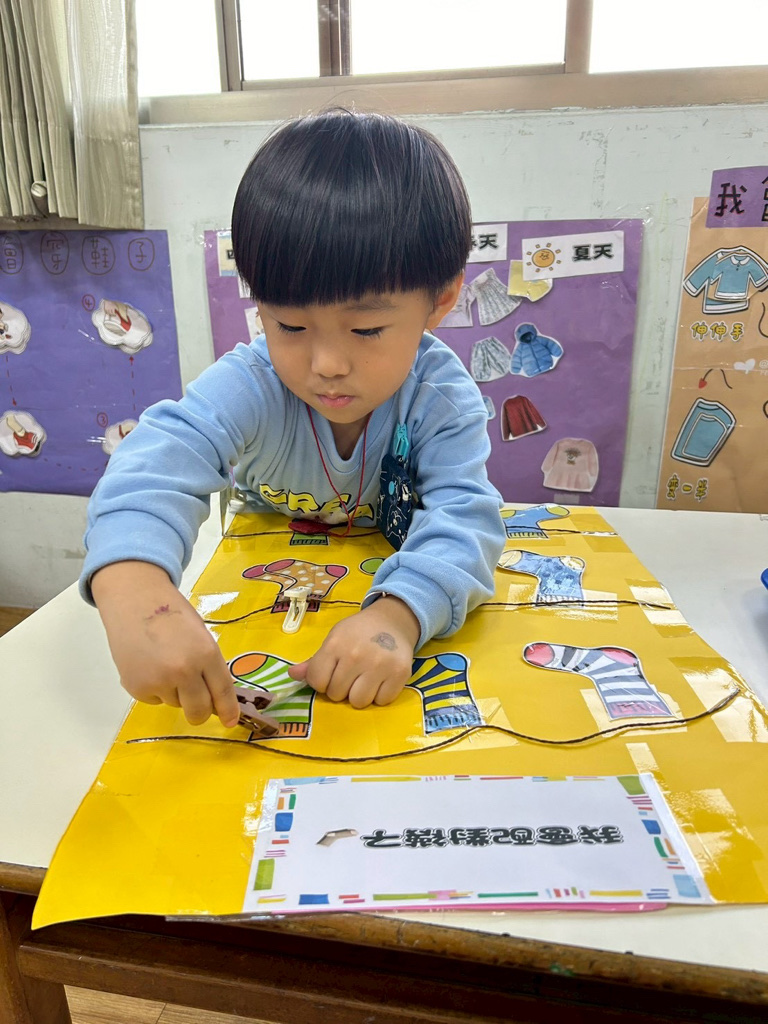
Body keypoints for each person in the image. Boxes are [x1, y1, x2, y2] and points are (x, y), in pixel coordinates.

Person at [81, 108, 506, 729]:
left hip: (386, 596)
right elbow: (154, 467)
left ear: (440, 301)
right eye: (289, 325)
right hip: (266, 594)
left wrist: (398, 616)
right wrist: (136, 593)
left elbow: (466, 517)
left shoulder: (439, 397)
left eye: (367, 329)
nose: (327, 365)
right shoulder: (252, 383)